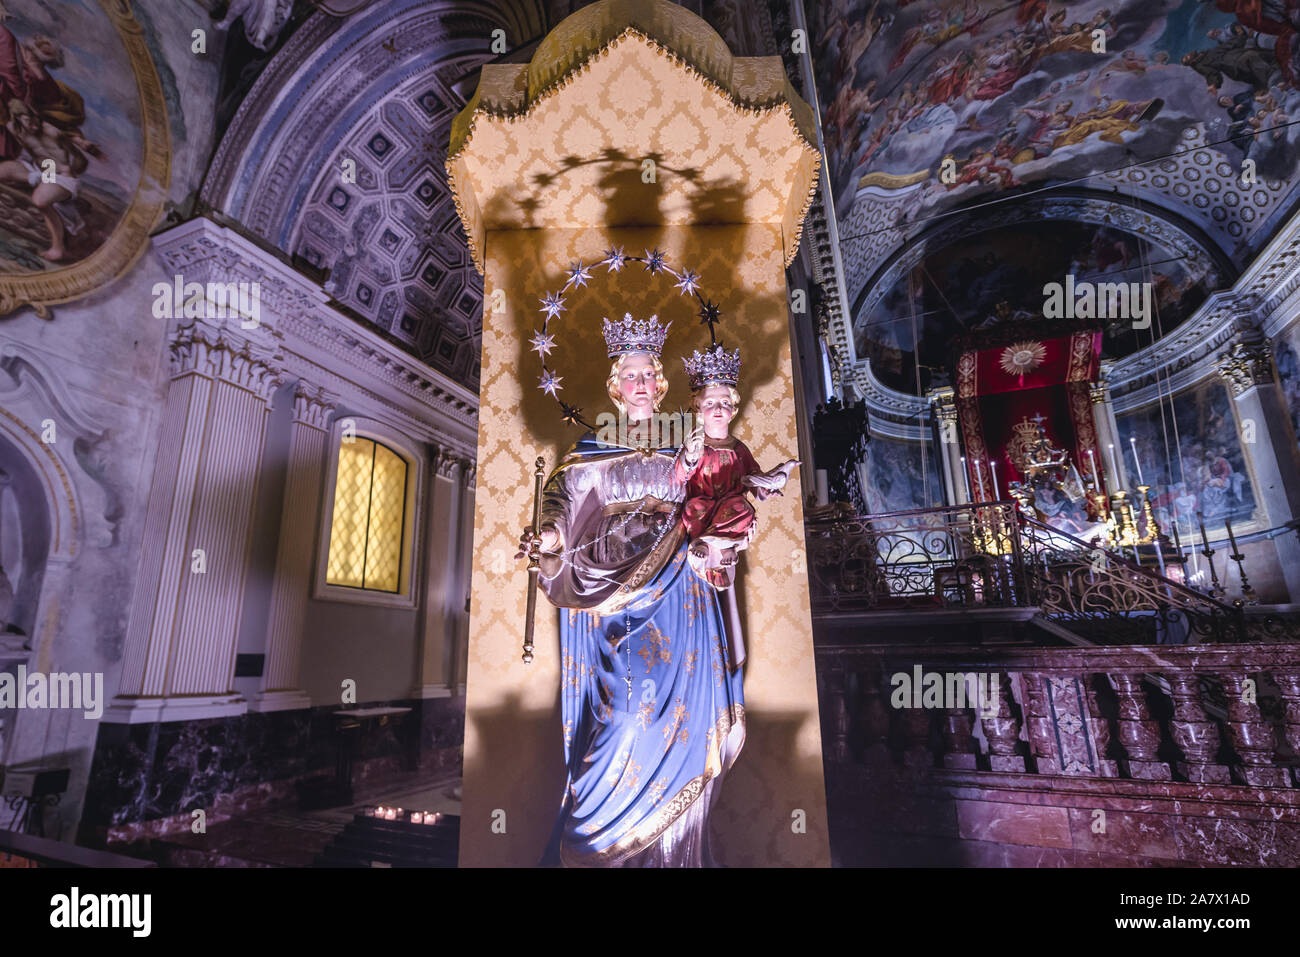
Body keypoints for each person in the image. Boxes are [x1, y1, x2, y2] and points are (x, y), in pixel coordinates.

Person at [516, 315, 745, 867]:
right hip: (612, 595)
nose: (640, 383)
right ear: (615, 385)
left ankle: (671, 854)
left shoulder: (685, 444)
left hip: (679, 594)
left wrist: (725, 536)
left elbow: (718, 501)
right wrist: (547, 534)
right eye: (630, 374)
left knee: (680, 717)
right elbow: (563, 504)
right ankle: (607, 849)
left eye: (649, 374)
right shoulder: (592, 445)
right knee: (619, 715)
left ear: (660, 384)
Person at [675, 344, 798, 591]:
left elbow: (753, 477)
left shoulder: (738, 448)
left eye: (724, 402)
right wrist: (688, 456)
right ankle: (704, 543)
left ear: (733, 409)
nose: (718, 408)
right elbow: (679, 477)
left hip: (730, 506)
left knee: (742, 508)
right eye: (710, 403)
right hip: (702, 503)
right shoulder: (693, 442)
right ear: (698, 409)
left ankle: (724, 545)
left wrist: (766, 486)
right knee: (692, 508)